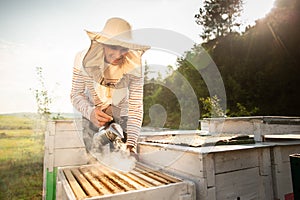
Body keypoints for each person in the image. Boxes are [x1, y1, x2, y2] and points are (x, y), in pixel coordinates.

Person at [70, 17, 150, 158]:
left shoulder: (135, 65)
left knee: (123, 157)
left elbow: (135, 105)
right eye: (113, 46)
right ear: (103, 43)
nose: (118, 54)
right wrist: (90, 113)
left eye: (124, 48)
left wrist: (130, 144)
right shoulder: (81, 58)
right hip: (92, 111)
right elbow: (76, 94)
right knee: (94, 158)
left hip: (122, 113)